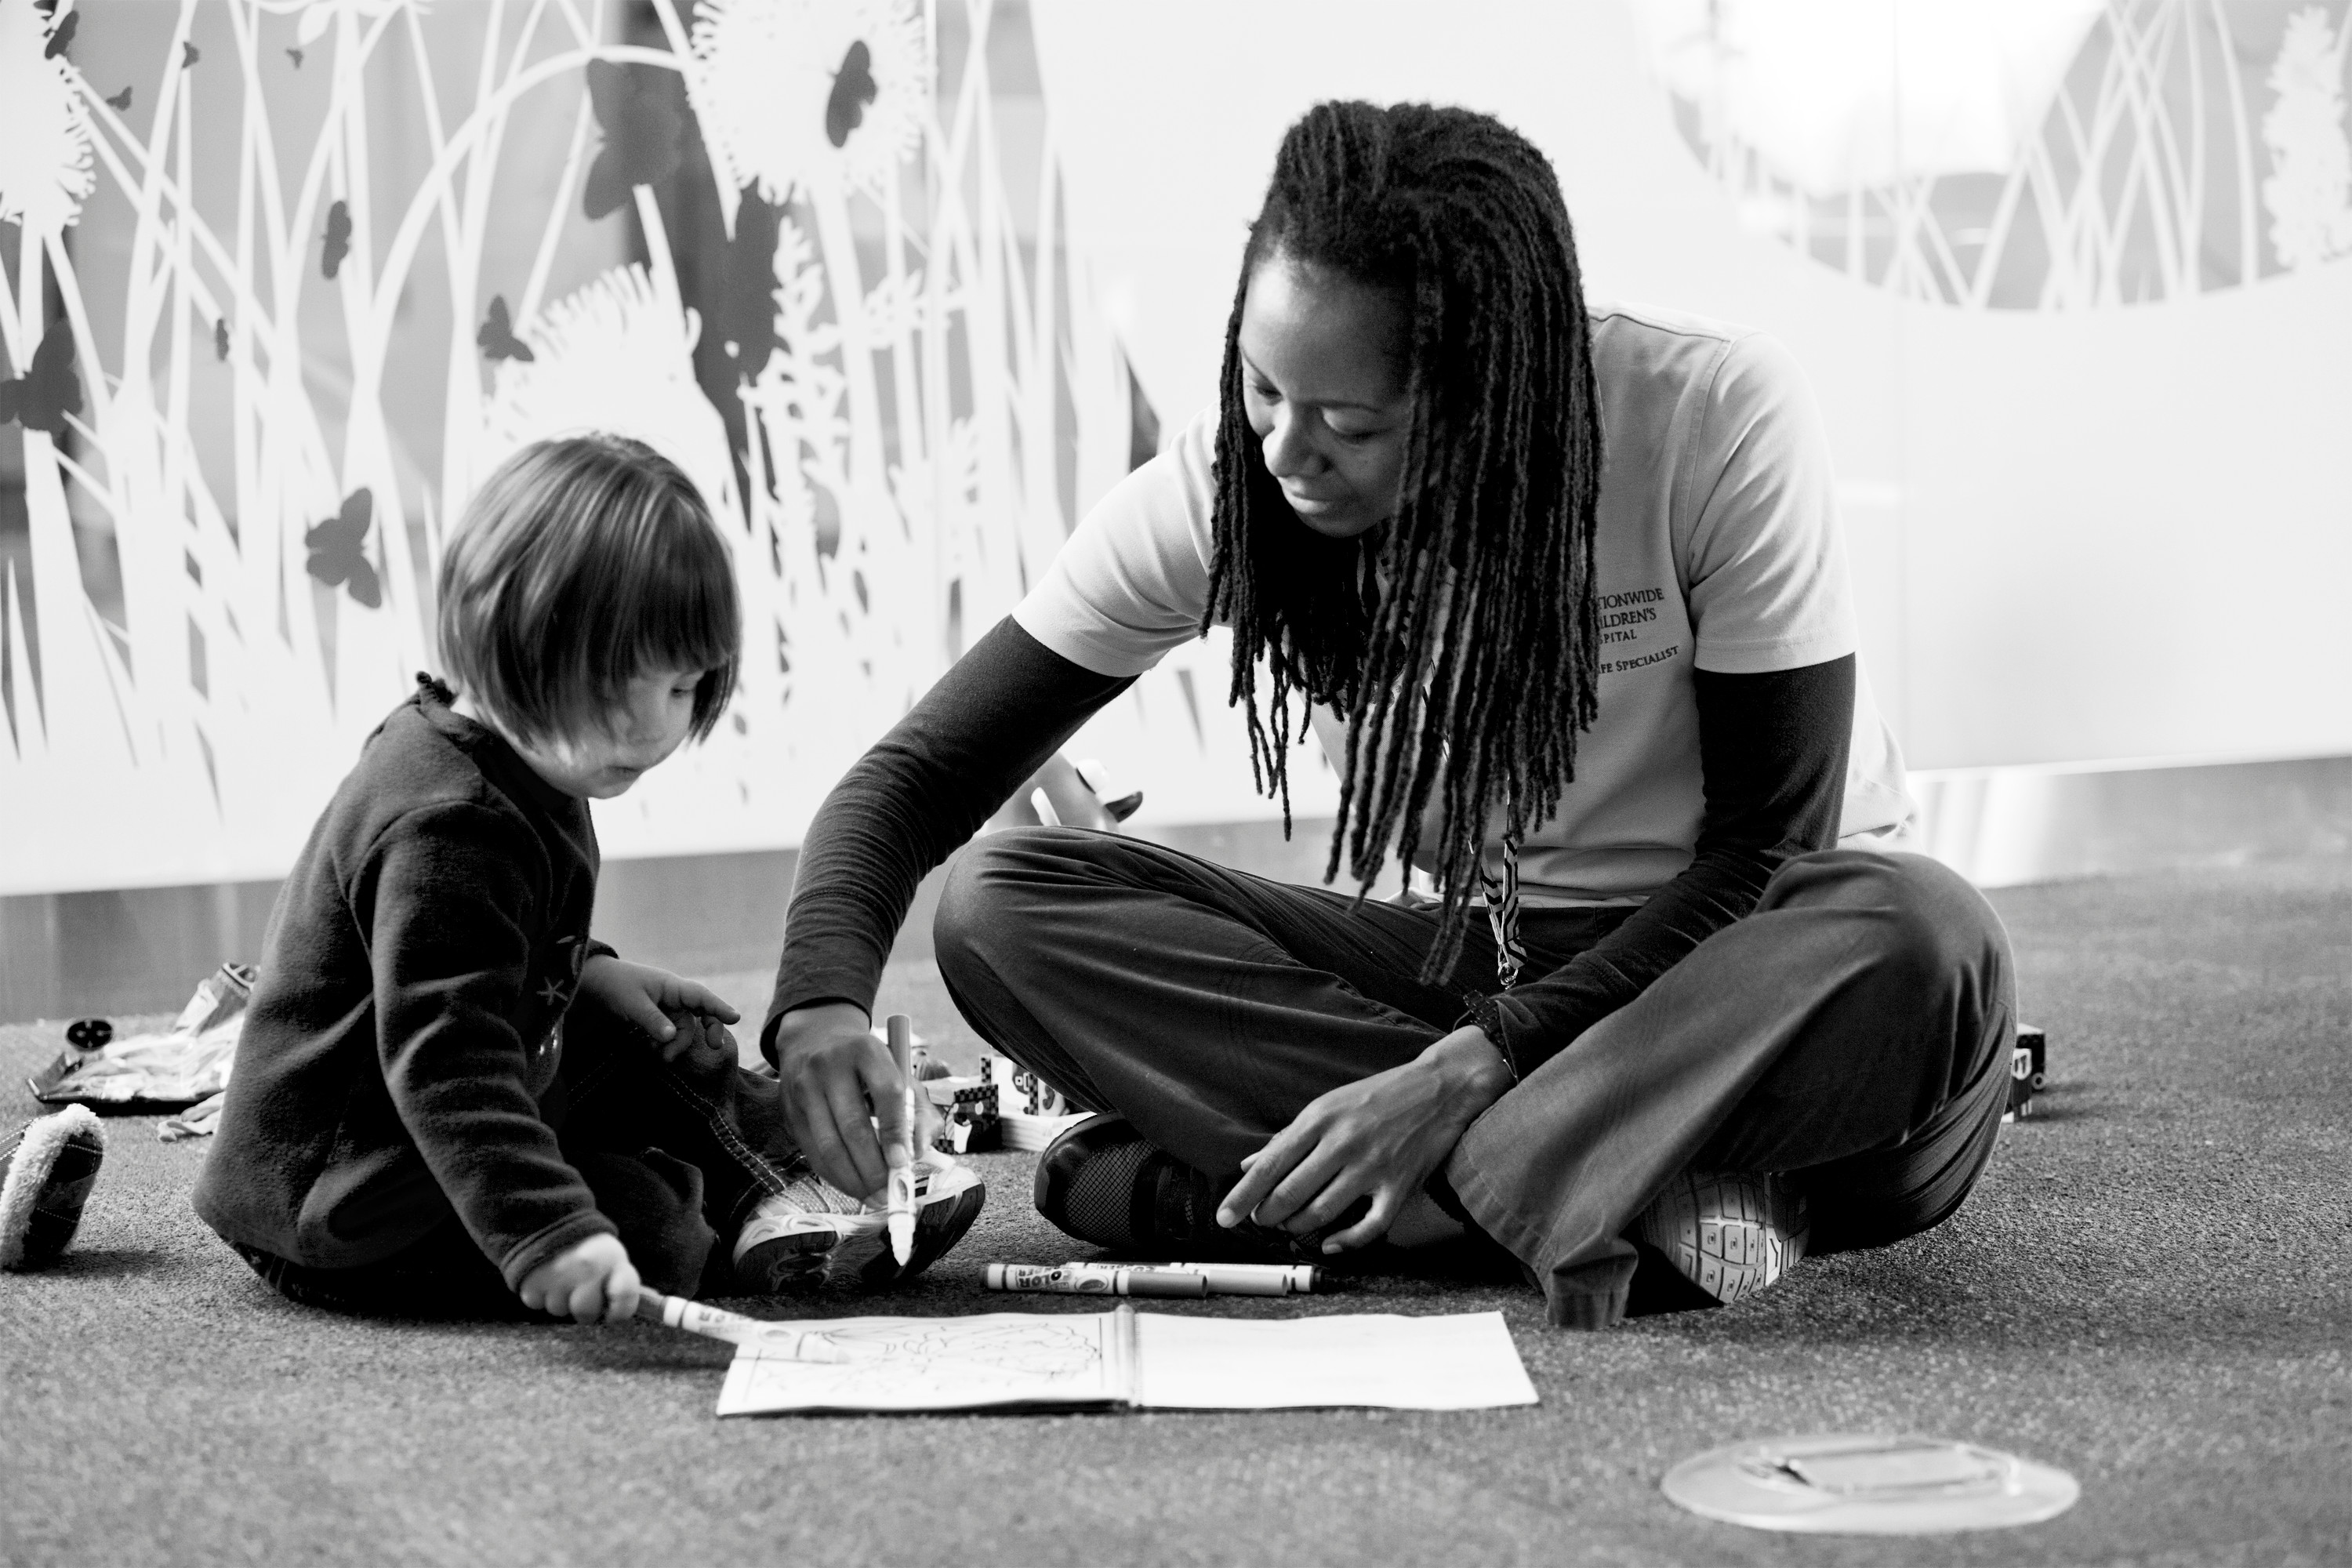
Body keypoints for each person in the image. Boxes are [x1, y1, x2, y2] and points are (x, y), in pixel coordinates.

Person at [763, 102, 2015, 1330]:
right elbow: (918, 777)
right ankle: (1588, 1194)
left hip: (1751, 995)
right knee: (1007, 903)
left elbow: (1767, 857)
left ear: (1488, 397)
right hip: (1506, 967)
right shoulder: (1237, 491)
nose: (1283, 452)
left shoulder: (1713, 415)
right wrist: (818, 1001)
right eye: (1260, 388)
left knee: (1928, 935)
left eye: (1350, 424)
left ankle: (1324, 1190)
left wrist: (1463, 1070)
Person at [193, 434, 982, 1322]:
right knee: (643, 1224)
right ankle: (738, 1213)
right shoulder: (448, 823)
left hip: (453, 1092)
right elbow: (448, 1065)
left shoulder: (514, 748)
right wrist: (552, 1230)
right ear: (514, 638)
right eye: (620, 686)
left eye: (683, 687)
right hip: (351, 1200)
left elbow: (482, 936)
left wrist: (590, 966)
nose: (655, 727)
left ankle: (795, 1160)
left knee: (664, 1043)